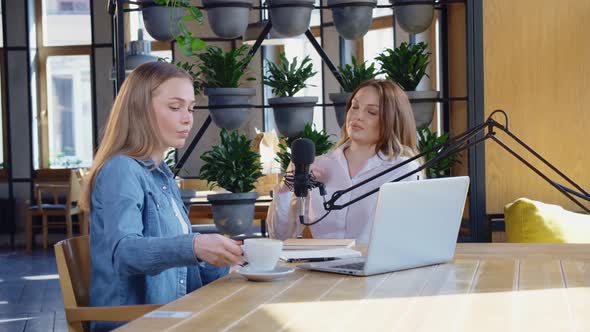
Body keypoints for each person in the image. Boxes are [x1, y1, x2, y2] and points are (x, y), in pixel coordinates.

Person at [79, 62, 244, 331]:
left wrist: (227, 261)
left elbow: (184, 269)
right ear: (140, 110)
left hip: (171, 316)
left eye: (190, 108)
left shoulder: (162, 177)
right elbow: (124, 252)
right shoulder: (121, 170)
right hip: (137, 323)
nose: (188, 118)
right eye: (175, 107)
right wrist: (194, 246)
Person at [267, 79, 423, 244]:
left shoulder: (404, 170)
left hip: (373, 267)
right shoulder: (318, 166)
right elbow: (278, 238)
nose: (357, 116)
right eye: (354, 107)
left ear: (392, 120)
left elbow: (410, 237)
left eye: (371, 112)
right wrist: (287, 186)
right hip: (319, 267)